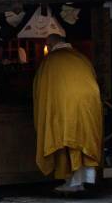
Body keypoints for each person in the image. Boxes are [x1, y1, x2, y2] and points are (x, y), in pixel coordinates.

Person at [33, 33, 103, 193]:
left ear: (49, 46)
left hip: (66, 107)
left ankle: (72, 182)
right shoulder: (81, 58)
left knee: (67, 139)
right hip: (89, 104)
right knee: (82, 140)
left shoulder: (50, 61)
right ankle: (80, 181)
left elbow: (41, 91)